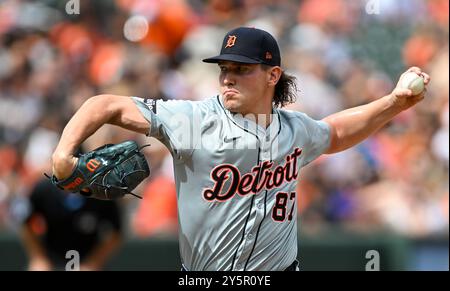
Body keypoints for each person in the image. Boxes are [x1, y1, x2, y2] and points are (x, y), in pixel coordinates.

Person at [51, 27, 430, 271]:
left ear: (272, 75)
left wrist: (394, 103)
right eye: (224, 68)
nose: (228, 77)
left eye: (241, 69)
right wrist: (63, 154)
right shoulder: (191, 119)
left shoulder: (295, 130)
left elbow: (336, 132)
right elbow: (105, 106)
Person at [21, 177, 123, 271]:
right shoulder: (44, 188)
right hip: (51, 257)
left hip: (86, 257)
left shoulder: (100, 192)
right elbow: (26, 224)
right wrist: (38, 257)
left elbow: (115, 233)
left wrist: (94, 262)